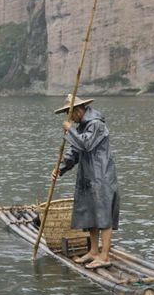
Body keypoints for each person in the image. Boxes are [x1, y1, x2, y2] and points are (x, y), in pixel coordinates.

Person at [50, 96, 120, 269]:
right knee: (90, 213)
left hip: (101, 177)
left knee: (103, 215)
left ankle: (104, 256)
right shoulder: (81, 126)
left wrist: (70, 130)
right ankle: (94, 251)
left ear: (78, 110)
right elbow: (75, 151)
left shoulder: (96, 124)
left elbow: (86, 145)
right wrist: (61, 168)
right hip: (87, 177)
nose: (69, 117)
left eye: (70, 113)